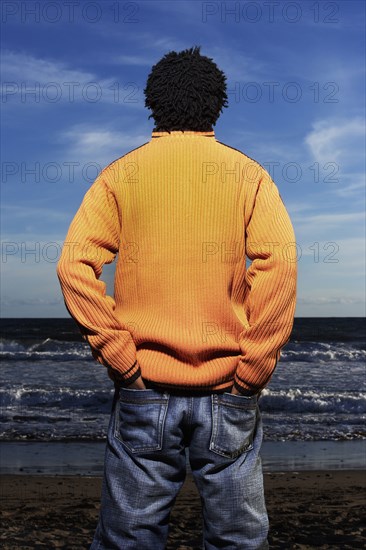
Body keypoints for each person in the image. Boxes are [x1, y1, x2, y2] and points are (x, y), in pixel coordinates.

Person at [57, 45, 297, 549]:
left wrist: (122, 358)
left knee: (130, 539)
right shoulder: (249, 175)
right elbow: (280, 270)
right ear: (217, 104)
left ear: (153, 103)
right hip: (228, 390)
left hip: (143, 390)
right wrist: (253, 370)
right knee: (239, 540)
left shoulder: (120, 174)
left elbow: (73, 265)